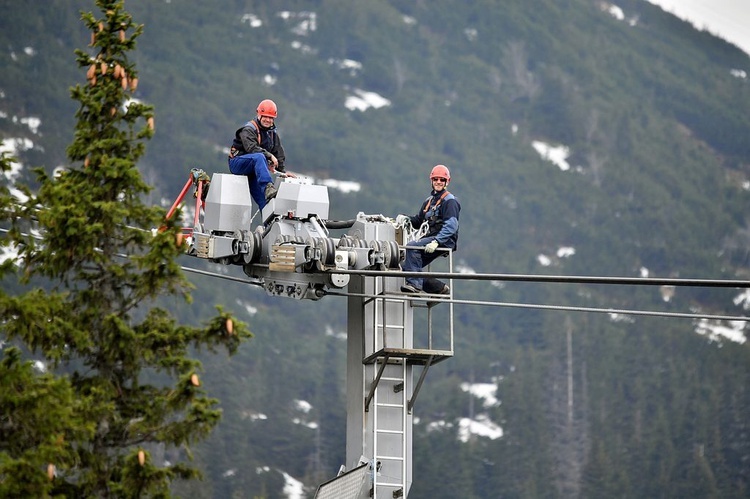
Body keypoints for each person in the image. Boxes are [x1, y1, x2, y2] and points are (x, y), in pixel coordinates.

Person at [398, 164, 460, 294]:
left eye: (442, 179)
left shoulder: (450, 201)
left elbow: (452, 225)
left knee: (412, 247)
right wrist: (407, 219)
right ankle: (440, 288)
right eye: (436, 179)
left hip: (444, 240)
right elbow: (419, 221)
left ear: (447, 182)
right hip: (430, 239)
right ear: (431, 180)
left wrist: (437, 241)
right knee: (406, 268)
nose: (438, 182)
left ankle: (414, 285)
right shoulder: (429, 201)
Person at [228, 99, 293, 209]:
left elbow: (279, 155)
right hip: (238, 163)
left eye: (270, 118)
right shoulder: (248, 129)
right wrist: (269, 156)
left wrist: (283, 173)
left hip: (254, 170)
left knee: (266, 202)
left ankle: (269, 225)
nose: (268, 120)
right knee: (259, 156)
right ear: (259, 115)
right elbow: (252, 148)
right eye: (265, 116)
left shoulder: (272, 135)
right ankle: (268, 186)